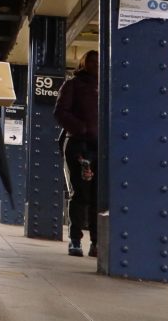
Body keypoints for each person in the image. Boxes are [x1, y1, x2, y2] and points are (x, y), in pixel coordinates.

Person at [54, 50, 99, 257]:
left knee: (99, 196)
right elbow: (60, 112)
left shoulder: (108, 85)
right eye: (92, 62)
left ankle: (97, 242)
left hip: (101, 147)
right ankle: (75, 240)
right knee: (80, 194)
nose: (96, 65)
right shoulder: (72, 85)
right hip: (79, 145)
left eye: (99, 62)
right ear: (83, 64)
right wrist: (81, 128)